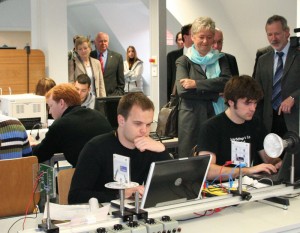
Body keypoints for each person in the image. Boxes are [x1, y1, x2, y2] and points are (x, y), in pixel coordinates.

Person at [68, 92, 171, 204]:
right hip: (101, 215)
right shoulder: (96, 148)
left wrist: (162, 150)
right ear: (121, 120)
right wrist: (120, 194)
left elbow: (172, 187)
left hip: (134, 212)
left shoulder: (149, 147)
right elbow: (75, 197)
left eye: (148, 124)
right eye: (138, 124)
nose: (144, 131)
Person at [197, 75, 282, 180]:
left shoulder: (255, 123)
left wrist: (276, 162)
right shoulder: (211, 127)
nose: (253, 108)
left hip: (251, 185)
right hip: (221, 188)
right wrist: (247, 170)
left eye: (255, 103)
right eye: (248, 103)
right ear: (231, 102)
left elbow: (267, 157)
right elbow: (207, 171)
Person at [176, 17, 231, 158]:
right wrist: (214, 94)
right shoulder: (183, 61)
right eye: (201, 37)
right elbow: (183, 91)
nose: (205, 41)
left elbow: (227, 82)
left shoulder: (221, 58)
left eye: (209, 37)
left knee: (217, 160)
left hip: (216, 117)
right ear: (193, 37)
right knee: (190, 163)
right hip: (191, 121)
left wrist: (196, 84)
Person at [29, 83, 113, 167]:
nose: (50, 111)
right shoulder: (98, 115)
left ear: (61, 103)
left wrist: (30, 143)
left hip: (89, 176)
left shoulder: (60, 125)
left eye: (50, 106)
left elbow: (39, 155)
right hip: (113, 172)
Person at [255, 15, 300, 137]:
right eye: (269, 35)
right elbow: (257, 92)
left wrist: (294, 97)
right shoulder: (262, 60)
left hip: (294, 120)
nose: (273, 38)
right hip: (269, 122)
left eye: (277, 34)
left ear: (287, 32)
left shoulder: (298, 55)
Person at [90, 32, 125, 96]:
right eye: (100, 41)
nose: (103, 43)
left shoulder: (117, 57)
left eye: (105, 41)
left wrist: (117, 94)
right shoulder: (90, 56)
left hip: (112, 97)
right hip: (94, 96)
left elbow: (121, 81)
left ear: (108, 42)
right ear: (95, 42)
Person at [167, 24, 193, 100]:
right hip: (177, 97)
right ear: (185, 37)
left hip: (196, 98)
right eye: (193, 34)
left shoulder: (202, 55)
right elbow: (169, 78)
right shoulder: (172, 56)